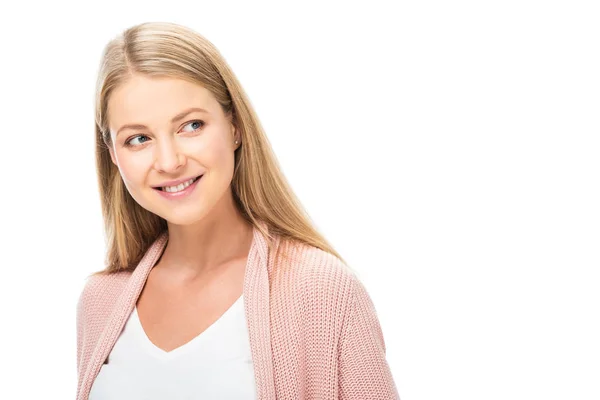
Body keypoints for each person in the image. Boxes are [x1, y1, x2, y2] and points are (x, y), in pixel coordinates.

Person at [76, 21, 400, 400]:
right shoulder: (100, 302)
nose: (168, 160)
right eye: (139, 139)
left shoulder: (321, 291)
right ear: (114, 155)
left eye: (191, 125)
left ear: (234, 127)